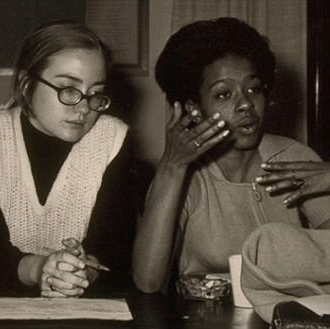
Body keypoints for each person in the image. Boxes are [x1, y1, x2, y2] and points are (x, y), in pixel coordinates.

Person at [132, 17, 330, 293]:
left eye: (254, 89)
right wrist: (171, 166)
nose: (246, 104)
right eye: (224, 94)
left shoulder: (294, 157)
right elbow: (148, 282)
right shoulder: (185, 175)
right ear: (194, 108)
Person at [0, 21, 135, 297]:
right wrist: (41, 270)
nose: (84, 108)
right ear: (26, 85)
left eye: (95, 93)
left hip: (78, 299)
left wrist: (81, 269)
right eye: (69, 89)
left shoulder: (113, 139)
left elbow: (109, 248)